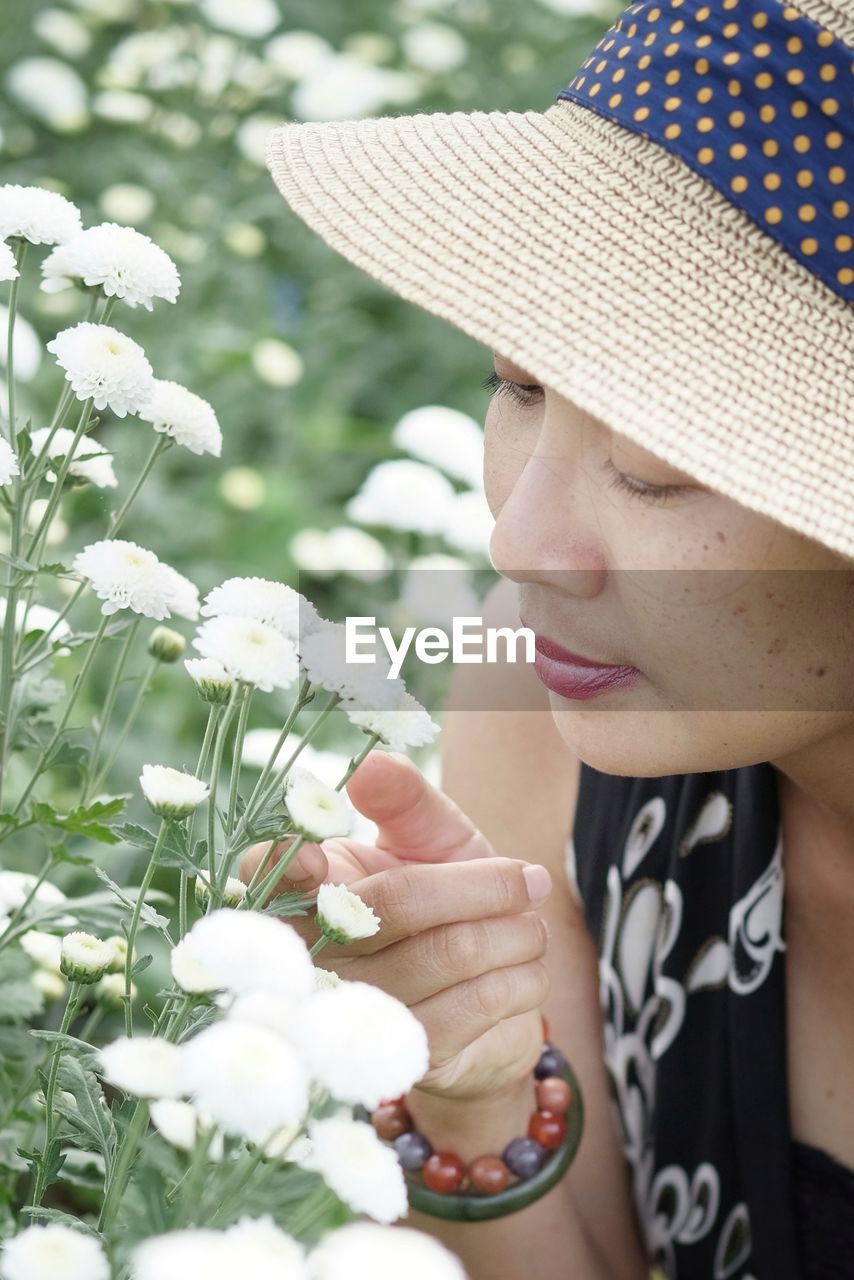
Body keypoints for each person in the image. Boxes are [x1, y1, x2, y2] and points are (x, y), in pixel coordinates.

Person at [242, 0, 854, 1276]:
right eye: (516, 386)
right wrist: (472, 1091)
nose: (518, 541)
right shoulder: (553, 716)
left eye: (655, 467)